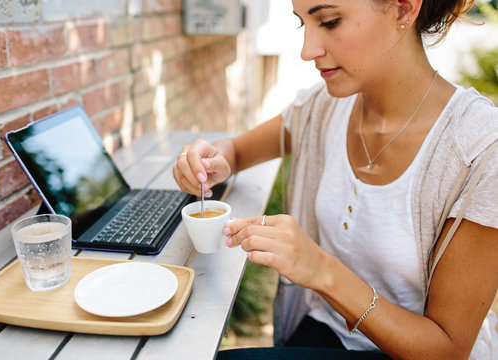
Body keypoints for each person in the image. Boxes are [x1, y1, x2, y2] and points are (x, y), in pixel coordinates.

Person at [172, 0, 498, 358]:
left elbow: (447, 350)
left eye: (328, 21)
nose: (307, 50)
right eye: (302, 25)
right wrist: (211, 159)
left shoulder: (479, 149)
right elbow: (234, 151)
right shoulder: (322, 108)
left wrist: (321, 270)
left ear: (404, 9)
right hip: (324, 332)